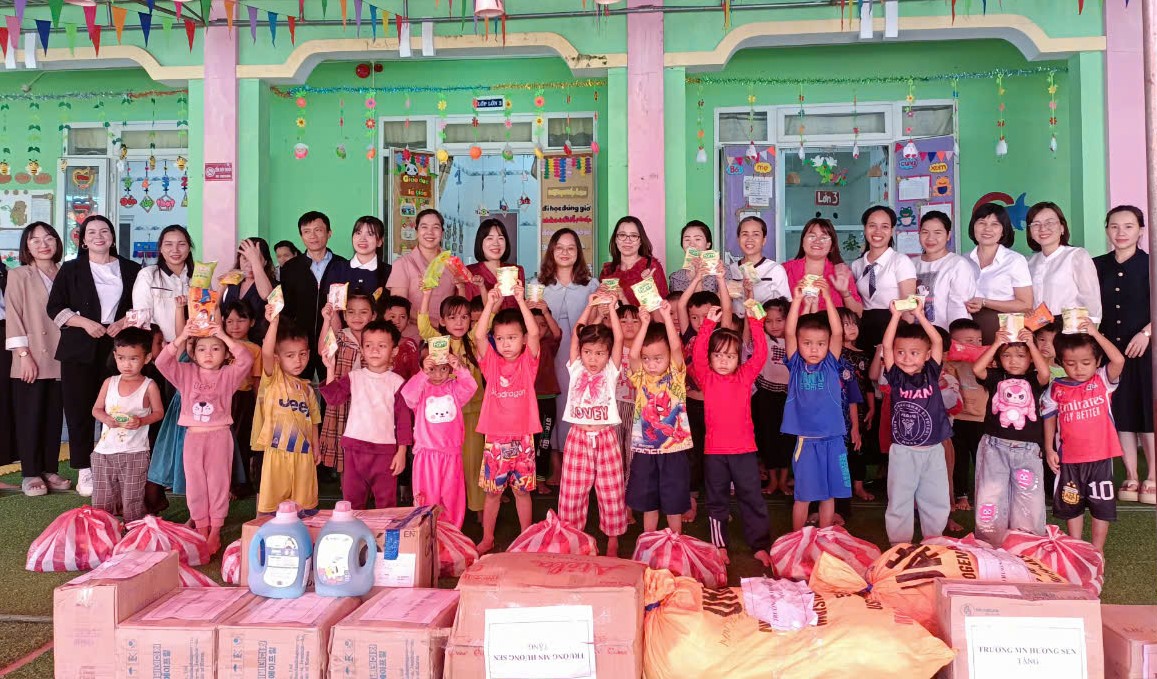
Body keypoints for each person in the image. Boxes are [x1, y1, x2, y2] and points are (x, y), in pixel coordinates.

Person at [47, 215, 141, 497]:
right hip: (79, 347)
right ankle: (84, 469)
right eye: (91, 232)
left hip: (119, 347)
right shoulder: (71, 269)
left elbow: (141, 306)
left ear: (112, 237)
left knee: (119, 407)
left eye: (104, 231)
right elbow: (55, 307)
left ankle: (114, 464)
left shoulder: (132, 269)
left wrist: (123, 322)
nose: (98, 236)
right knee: (79, 409)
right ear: (83, 240)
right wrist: (85, 323)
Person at [156, 320, 253, 553]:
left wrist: (225, 336)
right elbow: (161, 362)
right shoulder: (185, 373)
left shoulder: (229, 375)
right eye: (202, 349)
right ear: (193, 353)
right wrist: (182, 337)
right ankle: (201, 528)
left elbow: (246, 360)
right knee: (195, 485)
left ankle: (215, 530)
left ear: (226, 353)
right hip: (193, 438)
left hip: (220, 437)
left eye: (215, 348)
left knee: (218, 484)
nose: (208, 354)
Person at [691, 301, 771, 567]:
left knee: (752, 497)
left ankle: (759, 545)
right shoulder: (706, 376)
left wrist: (755, 322)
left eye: (730, 356)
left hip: (745, 451)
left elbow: (760, 354)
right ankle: (720, 545)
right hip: (714, 453)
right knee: (716, 500)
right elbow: (698, 353)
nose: (723, 360)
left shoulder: (745, 376)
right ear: (710, 358)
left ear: (739, 359)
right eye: (718, 355)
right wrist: (707, 325)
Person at [1044, 322, 1127, 551]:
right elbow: (1049, 417)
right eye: (1071, 363)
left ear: (1097, 361)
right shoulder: (1056, 387)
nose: (1079, 368)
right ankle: (1077, 547)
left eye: (1086, 362)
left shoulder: (1102, 380)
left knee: (1101, 506)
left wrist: (1094, 334)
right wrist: (1049, 448)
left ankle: (1097, 550)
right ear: (1061, 362)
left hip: (1100, 457)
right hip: (1069, 459)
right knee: (1072, 504)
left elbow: (1119, 360)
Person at [557, 294, 629, 556]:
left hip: (605, 437)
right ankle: (573, 537)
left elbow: (618, 338)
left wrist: (611, 309)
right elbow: (576, 335)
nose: (593, 359)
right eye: (588, 352)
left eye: (599, 353)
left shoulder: (611, 370)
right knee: (572, 491)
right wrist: (589, 305)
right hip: (578, 437)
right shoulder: (576, 368)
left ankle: (613, 539)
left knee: (611, 490)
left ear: (608, 355)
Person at [1094, 205, 1155, 505]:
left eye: (1129, 226)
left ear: (1141, 230)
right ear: (1107, 229)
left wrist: (1147, 332)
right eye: (1114, 226)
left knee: (1148, 412)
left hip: (1146, 351)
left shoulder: (1151, 264)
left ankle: (1152, 476)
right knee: (1122, 411)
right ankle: (1130, 474)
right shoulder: (1096, 265)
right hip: (1110, 352)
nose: (1121, 232)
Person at [968, 326, 1051, 545]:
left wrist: (1031, 344)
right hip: (994, 446)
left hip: (1028, 450)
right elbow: (977, 369)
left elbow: (1045, 374)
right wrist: (996, 343)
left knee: (1029, 497)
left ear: (1030, 359)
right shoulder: (996, 377)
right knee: (990, 495)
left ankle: (1026, 544)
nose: (1013, 361)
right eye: (1006, 355)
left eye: (1021, 356)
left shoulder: (1034, 379)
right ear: (999, 358)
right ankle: (989, 542)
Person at [474, 284, 541, 553]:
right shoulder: (491, 363)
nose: (506, 344)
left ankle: (526, 538)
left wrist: (520, 301)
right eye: (500, 338)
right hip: (496, 439)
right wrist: (490, 305)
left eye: (512, 337)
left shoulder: (528, 362)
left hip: (523, 437)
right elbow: (479, 335)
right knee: (493, 492)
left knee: (522, 491)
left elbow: (534, 332)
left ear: (523, 339)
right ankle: (488, 538)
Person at [880, 299, 952, 545]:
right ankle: (899, 544)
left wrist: (920, 315)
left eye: (914, 353)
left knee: (935, 497)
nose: (906, 358)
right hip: (903, 451)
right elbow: (887, 345)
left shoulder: (931, 373)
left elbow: (938, 341)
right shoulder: (896, 377)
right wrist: (895, 316)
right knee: (899, 498)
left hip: (933, 450)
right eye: (901, 352)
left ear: (927, 355)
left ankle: (934, 540)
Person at [320, 320, 412, 509]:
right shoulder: (354, 377)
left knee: (386, 504)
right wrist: (330, 368)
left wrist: (402, 452)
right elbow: (333, 398)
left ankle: (384, 530)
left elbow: (404, 421)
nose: (374, 350)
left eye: (382, 346)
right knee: (352, 502)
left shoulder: (397, 382)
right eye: (368, 345)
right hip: (354, 449)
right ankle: (353, 530)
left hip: (385, 452)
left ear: (394, 351)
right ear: (362, 350)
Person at [6, 222, 69, 496]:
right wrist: (23, 355)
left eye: (49, 238)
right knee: (30, 415)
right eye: (35, 240)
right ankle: (30, 472)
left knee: (54, 415)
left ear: (57, 242)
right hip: (31, 354)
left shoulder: (66, 272)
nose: (43, 245)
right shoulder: (19, 274)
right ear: (27, 246)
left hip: (62, 354)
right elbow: (14, 315)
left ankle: (49, 469)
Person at [783, 279, 848, 531]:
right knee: (803, 495)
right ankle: (796, 539)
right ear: (799, 344)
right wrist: (798, 300)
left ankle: (825, 535)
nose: (814, 349)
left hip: (833, 437)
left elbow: (838, 333)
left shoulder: (830, 363)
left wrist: (828, 298)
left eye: (820, 344)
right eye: (807, 343)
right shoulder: (796, 364)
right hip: (807, 440)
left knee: (828, 494)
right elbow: (790, 332)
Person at [626, 300, 692, 534]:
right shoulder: (641, 377)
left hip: (673, 448)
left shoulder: (675, 374)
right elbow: (633, 354)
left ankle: (675, 541)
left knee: (674, 501)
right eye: (647, 359)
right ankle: (648, 541)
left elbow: (675, 348)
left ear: (668, 357)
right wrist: (644, 324)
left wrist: (666, 318)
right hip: (646, 449)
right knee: (648, 501)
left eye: (658, 358)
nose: (651, 364)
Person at [535, 228, 600, 463]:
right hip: (546, 359)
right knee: (549, 408)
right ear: (551, 251)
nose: (565, 253)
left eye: (571, 248)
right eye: (560, 248)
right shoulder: (538, 285)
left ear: (578, 253)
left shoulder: (591, 285)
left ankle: (576, 462)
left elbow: (597, 323)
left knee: (576, 403)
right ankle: (552, 465)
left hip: (580, 357)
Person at [676, 261, 731, 521]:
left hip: (716, 407)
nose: (699, 322)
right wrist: (697, 278)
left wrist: (719, 279)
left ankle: (718, 505)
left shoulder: (721, 336)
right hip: (690, 404)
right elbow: (681, 305)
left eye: (705, 316)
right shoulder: (688, 335)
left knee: (717, 456)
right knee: (692, 456)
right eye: (695, 317)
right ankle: (691, 499)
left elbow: (728, 308)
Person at [90, 328, 164, 523]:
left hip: (135, 452)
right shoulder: (110, 382)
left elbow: (159, 413)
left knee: (133, 499)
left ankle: (133, 532)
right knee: (102, 499)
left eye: (133, 359)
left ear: (147, 358)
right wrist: (106, 419)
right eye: (122, 358)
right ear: (115, 356)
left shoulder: (149, 385)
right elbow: (96, 409)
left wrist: (141, 421)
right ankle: (104, 531)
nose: (127, 364)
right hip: (104, 452)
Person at [254, 308, 321, 516]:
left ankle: (301, 533)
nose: (298, 361)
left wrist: (316, 447)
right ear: (277, 358)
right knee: (271, 508)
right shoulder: (274, 379)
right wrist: (273, 323)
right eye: (290, 355)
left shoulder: (307, 389)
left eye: (302, 354)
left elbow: (314, 421)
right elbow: (266, 352)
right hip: (277, 452)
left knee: (304, 507)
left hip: (304, 454)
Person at [401, 352, 478, 528]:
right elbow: (408, 396)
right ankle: (426, 534)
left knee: (452, 497)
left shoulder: (454, 388)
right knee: (426, 498)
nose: (438, 375)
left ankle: (451, 532)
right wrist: (423, 374)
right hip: (426, 455)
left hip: (451, 454)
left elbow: (470, 387)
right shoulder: (421, 388)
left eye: (443, 369)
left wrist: (459, 368)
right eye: (432, 369)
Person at [278, 211, 350, 379]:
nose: (312, 236)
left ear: (329, 233)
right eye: (307, 231)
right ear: (301, 236)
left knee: (332, 384)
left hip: (333, 338)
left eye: (318, 230)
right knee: (299, 387)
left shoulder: (343, 266)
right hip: (299, 341)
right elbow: (287, 308)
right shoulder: (290, 268)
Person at [317, 294, 377, 475]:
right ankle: (346, 486)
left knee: (369, 444)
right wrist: (327, 320)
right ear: (344, 315)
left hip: (369, 401)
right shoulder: (341, 337)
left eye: (363, 312)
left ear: (373, 315)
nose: (357, 317)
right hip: (343, 401)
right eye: (351, 312)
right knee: (344, 444)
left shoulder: (377, 338)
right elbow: (323, 350)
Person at [850, 206, 917, 352]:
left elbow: (909, 305)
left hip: (894, 326)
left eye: (885, 226)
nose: (878, 231)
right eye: (872, 226)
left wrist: (905, 339)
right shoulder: (857, 265)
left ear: (892, 231)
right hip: (864, 328)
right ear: (865, 229)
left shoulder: (901, 261)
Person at [964, 203, 1033, 344]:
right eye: (982, 222)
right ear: (973, 227)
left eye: (995, 224)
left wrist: (985, 302)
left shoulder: (1015, 260)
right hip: (968, 335)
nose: (987, 229)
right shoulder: (963, 260)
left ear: (1003, 231)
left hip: (1005, 335)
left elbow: (1025, 304)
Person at [387, 209, 462, 334]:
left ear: (442, 233)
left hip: (448, 335)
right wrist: (436, 324)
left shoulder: (453, 263)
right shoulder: (402, 264)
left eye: (436, 227)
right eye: (424, 227)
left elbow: (461, 303)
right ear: (416, 232)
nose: (430, 232)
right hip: (413, 335)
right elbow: (399, 308)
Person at [1026, 202, 1101, 323]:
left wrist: (1091, 327)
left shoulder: (1077, 255)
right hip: (1038, 330)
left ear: (1062, 227)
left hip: (1071, 329)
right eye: (1036, 224)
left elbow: (1091, 299)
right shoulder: (1028, 262)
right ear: (1030, 232)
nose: (1043, 228)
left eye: (1049, 222)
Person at [752, 297, 793, 497]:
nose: (774, 325)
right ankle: (773, 480)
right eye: (768, 321)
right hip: (766, 395)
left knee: (787, 439)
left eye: (779, 320)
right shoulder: (763, 340)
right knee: (768, 437)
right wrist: (749, 292)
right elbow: (753, 317)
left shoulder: (794, 340)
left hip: (789, 396)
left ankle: (784, 480)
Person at [221, 300, 263, 494]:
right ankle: (222, 484)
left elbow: (256, 380)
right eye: (229, 321)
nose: (235, 326)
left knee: (240, 440)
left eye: (241, 320)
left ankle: (239, 484)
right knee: (222, 441)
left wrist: (259, 405)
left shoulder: (255, 349)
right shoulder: (220, 344)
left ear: (252, 322)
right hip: (221, 398)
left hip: (243, 399)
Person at [945, 318, 987, 511]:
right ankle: (961, 495)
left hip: (982, 418)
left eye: (979, 341)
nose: (976, 345)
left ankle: (984, 495)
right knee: (959, 460)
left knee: (983, 459)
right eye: (969, 341)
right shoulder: (948, 362)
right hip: (958, 419)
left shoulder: (987, 361)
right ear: (953, 343)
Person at [781, 218, 863, 314]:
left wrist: (845, 294)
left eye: (824, 238)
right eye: (812, 236)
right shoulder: (785, 270)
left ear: (832, 246)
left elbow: (858, 313)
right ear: (803, 242)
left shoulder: (841, 272)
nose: (817, 241)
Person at [914, 211, 977, 331]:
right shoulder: (911, 264)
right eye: (925, 232)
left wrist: (955, 337)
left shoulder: (958, 264)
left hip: (946, 335)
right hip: (916, 336)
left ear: (948, 235)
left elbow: (958, 308)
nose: (930, 238)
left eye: (937, 232)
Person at [131, 225, 193, 343]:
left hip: (195, 347)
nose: (175, 250)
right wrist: (159, 346)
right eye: (168, 244)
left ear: (189, 248)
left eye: (181, 244)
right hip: (161, 348)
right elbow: (141, 318)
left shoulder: (199, 277)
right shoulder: (148, 275)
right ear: (160, 248)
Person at [724, 216, 792, 318]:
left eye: (756, 234)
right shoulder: (730, 270)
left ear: (764, 240)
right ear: (738, 239)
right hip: (736, 326)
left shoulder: (775, 270)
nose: (749, 239)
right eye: (745, 234)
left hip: (765, 325)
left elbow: (785, 307)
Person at [839, 307, 874, 502]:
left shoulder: (863, 354)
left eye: (853, 323)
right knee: (842, 448)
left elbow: (868, 384)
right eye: (845, 324)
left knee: (859, 447)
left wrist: (872, 407)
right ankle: (842, 485)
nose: (851, 328)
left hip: (860, 408)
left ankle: (858, 486)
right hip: (840, 407)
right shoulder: (835, 353)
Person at [530, 305, 563, 494]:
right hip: (526, 400)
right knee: (528, 442)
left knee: (544, 441)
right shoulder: (522, 346)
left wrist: (545, 312)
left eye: (542, 325)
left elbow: (557, 334)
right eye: (533, 325)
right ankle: (527, 480)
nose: (538, 329)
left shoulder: (549, 344)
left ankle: (541, 480)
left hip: (547, 399)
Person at [600, 216, 668, 307]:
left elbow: (663, 307)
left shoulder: (651, 267)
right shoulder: (608, 271)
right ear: (615, 239)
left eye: (634, 236)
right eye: (622, 235)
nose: (627, 240)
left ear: (641, 241)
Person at [220, 237, 276, 342]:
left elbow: (266, 295)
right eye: (245, 258)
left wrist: (255, 261)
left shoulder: (272, 285)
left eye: (256, 259)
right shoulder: (233, 284)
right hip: (231, 343)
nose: (249, 264)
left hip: (259, 344)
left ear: (265, 262)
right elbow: (219, 312)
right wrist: (222, 287)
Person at [464, 218, 524, 310]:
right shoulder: (469, 272)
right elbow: (463, 311)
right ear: (480, 242)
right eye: (490, 238)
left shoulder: (517, 270)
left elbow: (521, 307)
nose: (496, 243)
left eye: (500, 238)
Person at [338, 216, 392, 296]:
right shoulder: (338, 268)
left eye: (370, 234)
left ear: (380, 241)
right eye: (358, 233)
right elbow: (331, 301)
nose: (362, 239)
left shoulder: (390, 272)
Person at [668, 220, 718, 294]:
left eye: (697, 239)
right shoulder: (675, 278)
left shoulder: (720, 271)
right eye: (687, 239)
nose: (692, 244)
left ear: (708, 244)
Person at [381, 295, 420, 379]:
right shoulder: (374, 343)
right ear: (382, 317)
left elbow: (415, 375)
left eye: (402, 317)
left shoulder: (409, 345)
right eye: (392, 316)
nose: (397, 321)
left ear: (408, 320)